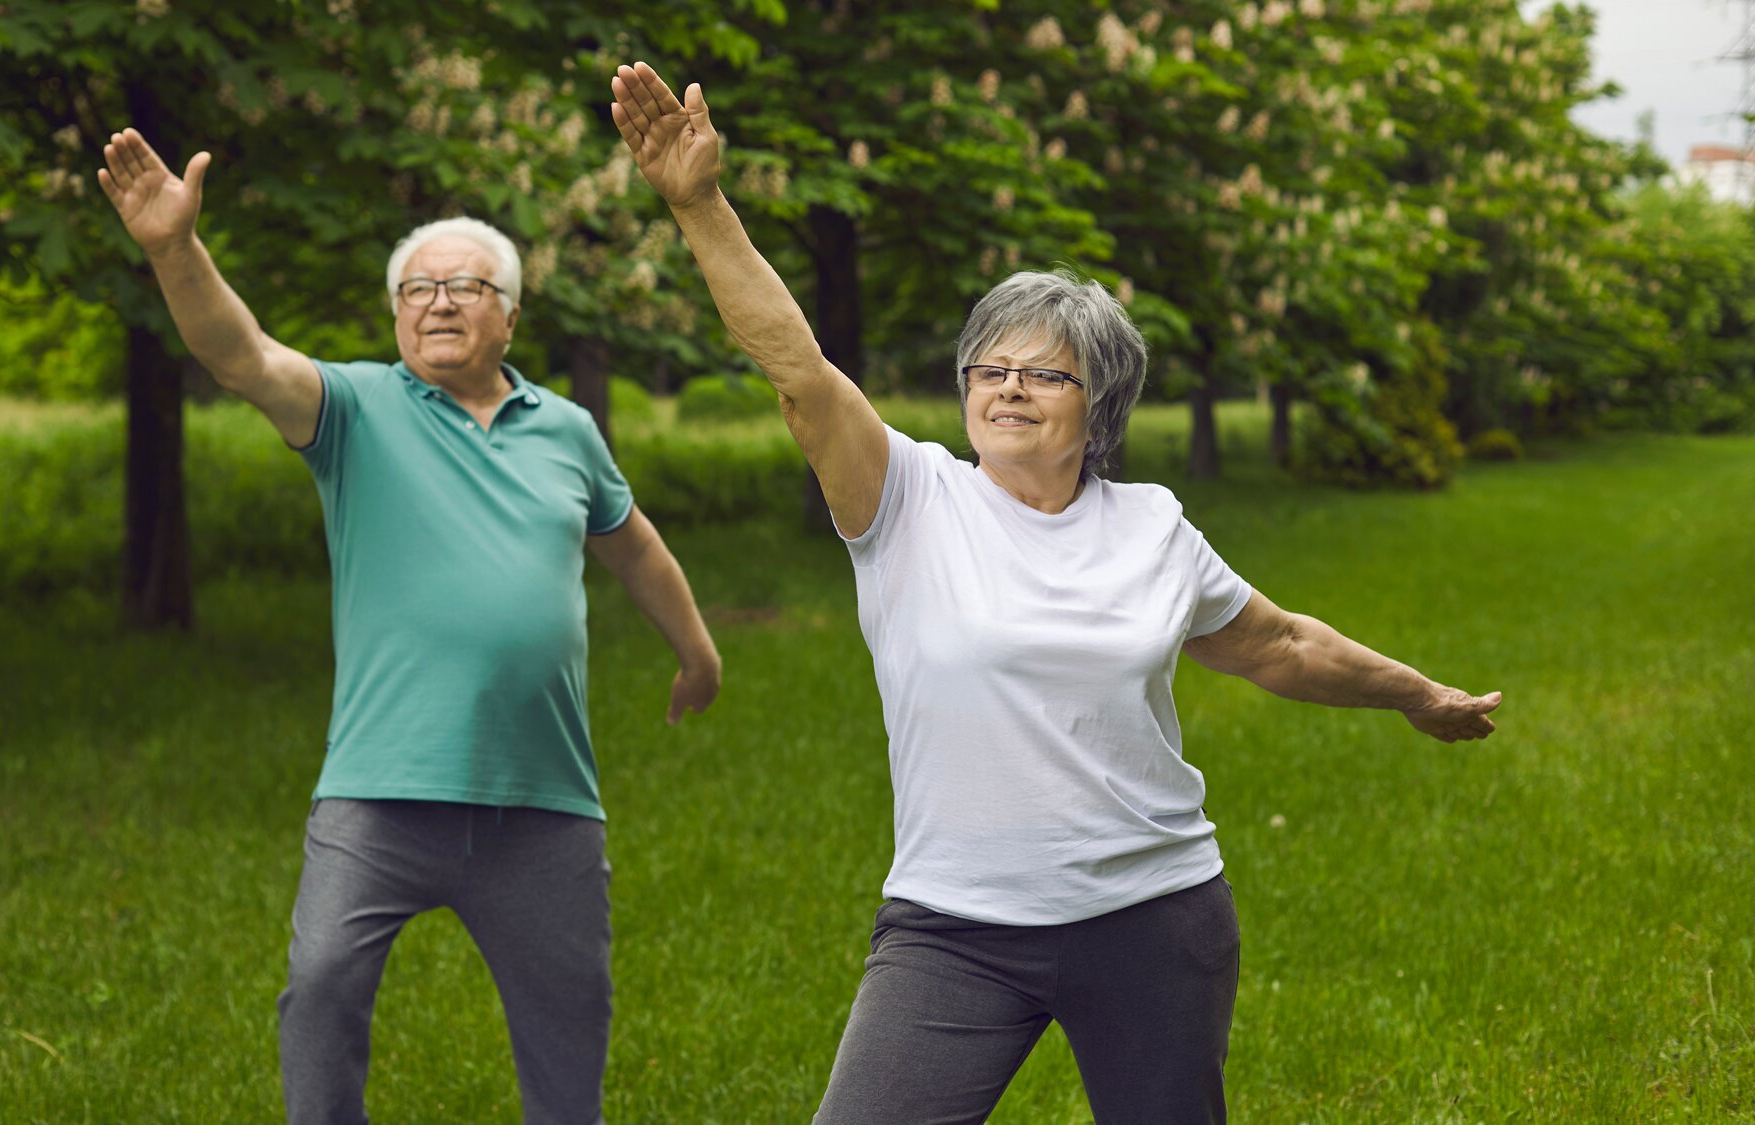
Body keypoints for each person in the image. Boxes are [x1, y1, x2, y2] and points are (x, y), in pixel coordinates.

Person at [610, 62, 1501, 1124]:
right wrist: (700, 206)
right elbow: (798, 372)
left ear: (1102, 405)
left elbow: (1278, 645)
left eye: (1041, 373)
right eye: (986, 369)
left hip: (1153, 914)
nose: (1006, 388)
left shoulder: (1151, 527)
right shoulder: (905, 496)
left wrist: (1413, 694)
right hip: (952, 926)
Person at [97, 128, 721, 1125]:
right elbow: (239, 353)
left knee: (571, 1021)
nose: (437, 300)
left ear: (509, 314)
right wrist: (174, 247)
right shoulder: (352, 409)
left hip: (543, 800)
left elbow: (632, 544)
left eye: (465, 285)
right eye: (416, 289)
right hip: (380, 794)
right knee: (322, 985)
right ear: (394, 315)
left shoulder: (564, 430)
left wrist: (695, 651)